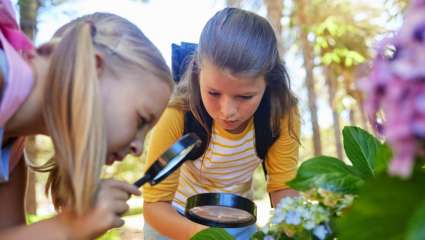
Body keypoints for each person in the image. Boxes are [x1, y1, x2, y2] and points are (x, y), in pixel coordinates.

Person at [0, 0, 173, 239]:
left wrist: (72, 226)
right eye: (141, 120)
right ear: (93, 67)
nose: (138, 148)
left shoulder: (11, 155)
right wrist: (65, 228)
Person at [143, 7, 300, 240]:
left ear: (269, 82)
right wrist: (207, 236)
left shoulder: (280, 114)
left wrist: (300, 226)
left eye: (245, 97)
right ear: (197, 73)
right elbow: (154, 204)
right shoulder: (178, 114)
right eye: (214, 93)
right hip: (172, 220)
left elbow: (282, 188)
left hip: (237, 220)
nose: (228, 112)